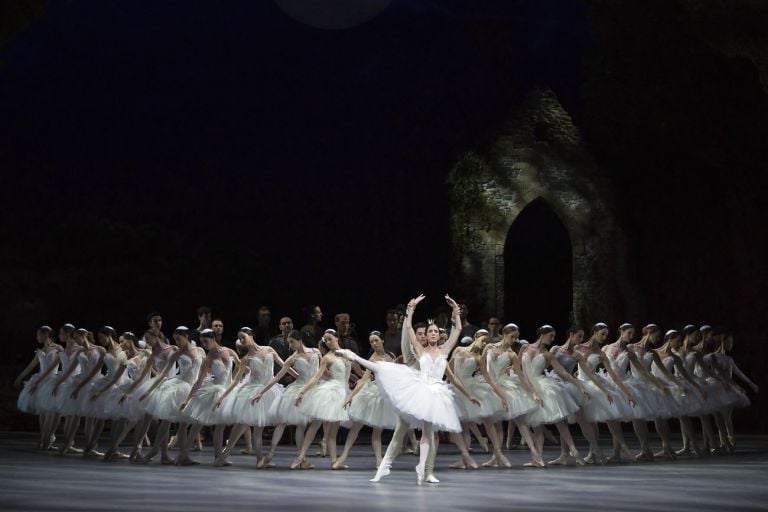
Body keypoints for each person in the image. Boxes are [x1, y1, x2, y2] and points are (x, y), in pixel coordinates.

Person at [336, 294, 474, 485]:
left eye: (433, 332)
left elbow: (457, 330)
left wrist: (455, 311)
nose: (430, 334)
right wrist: (410, 310)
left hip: (435, 394)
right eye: (428, 332)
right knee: (399, 427)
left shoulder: (443, 350)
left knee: (430, 434)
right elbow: (407, 329)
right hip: (416, 391)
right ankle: (384, 467)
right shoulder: (417, 350)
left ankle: (426, 471)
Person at [218, 327, 295, 466]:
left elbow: (284, 366)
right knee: (248, 424)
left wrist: (298, 376)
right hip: (253, 391)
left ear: (251, 335)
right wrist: (223, 395)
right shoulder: (246, 358)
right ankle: (258, 459)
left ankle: (231, 456)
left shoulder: (269, 349)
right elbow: (236, 380)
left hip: (270, 389)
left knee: (251, 425)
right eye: (240, 339)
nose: (241, 341)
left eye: (243, 337)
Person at [520, 325, 591, 466]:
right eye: (550, 336)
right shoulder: (525, 348)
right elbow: (518, 368)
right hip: (528, 386)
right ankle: (538, 458)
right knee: (536, 424)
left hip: (543, 385)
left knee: (559, 419)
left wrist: (580, 386)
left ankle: (574, 450)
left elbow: (564, 372)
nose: (553, 339)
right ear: (542, 333)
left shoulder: (548, 354)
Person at [251, 330, 322, 468]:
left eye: (292, 342)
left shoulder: (316, 352)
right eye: (288, 342)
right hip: (297, 390)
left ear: (300, 340)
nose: (290, 345)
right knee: (285, 422)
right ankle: (271, 454)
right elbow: (277, 377)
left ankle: (302, 459)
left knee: (302, 425)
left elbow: (321, 371)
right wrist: (261, 392)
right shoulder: (292, 359)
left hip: (312, 390)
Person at [334, 330, 399, 469]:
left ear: (382, 340)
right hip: (371, 393)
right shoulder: (372, 359)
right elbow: (363, 380)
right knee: (356, 427)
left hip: (385, 395)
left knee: (378, 430)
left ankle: (379, 461)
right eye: (371, 342)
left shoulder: (391, 355)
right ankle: (343, 456)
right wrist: (350, 397)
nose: (374, 344)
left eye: (376, 340)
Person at [291, 329, 352, 469]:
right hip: (330, 391)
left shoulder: (347, 353)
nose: (328, 342)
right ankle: (301, 456)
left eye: (330, 339)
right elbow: (316, 377)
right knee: (316, 423)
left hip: (342, 392)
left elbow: (352, 371)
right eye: (326, 340)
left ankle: (334, 462)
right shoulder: (327, 357)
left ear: (337, 338)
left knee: (333, 431)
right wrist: (302, 392)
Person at [15, 325, 63, 450]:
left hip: (51, 380)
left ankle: (48, 439)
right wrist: (20, 377)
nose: (37, 337)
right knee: (42, 413)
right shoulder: (40, 351)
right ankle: (42, 439)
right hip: (40, 380)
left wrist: (38, 382)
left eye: (38, 335)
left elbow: (53, 367)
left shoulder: (58, 348)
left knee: (49, 412)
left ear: (46, 334)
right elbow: (30, 366)